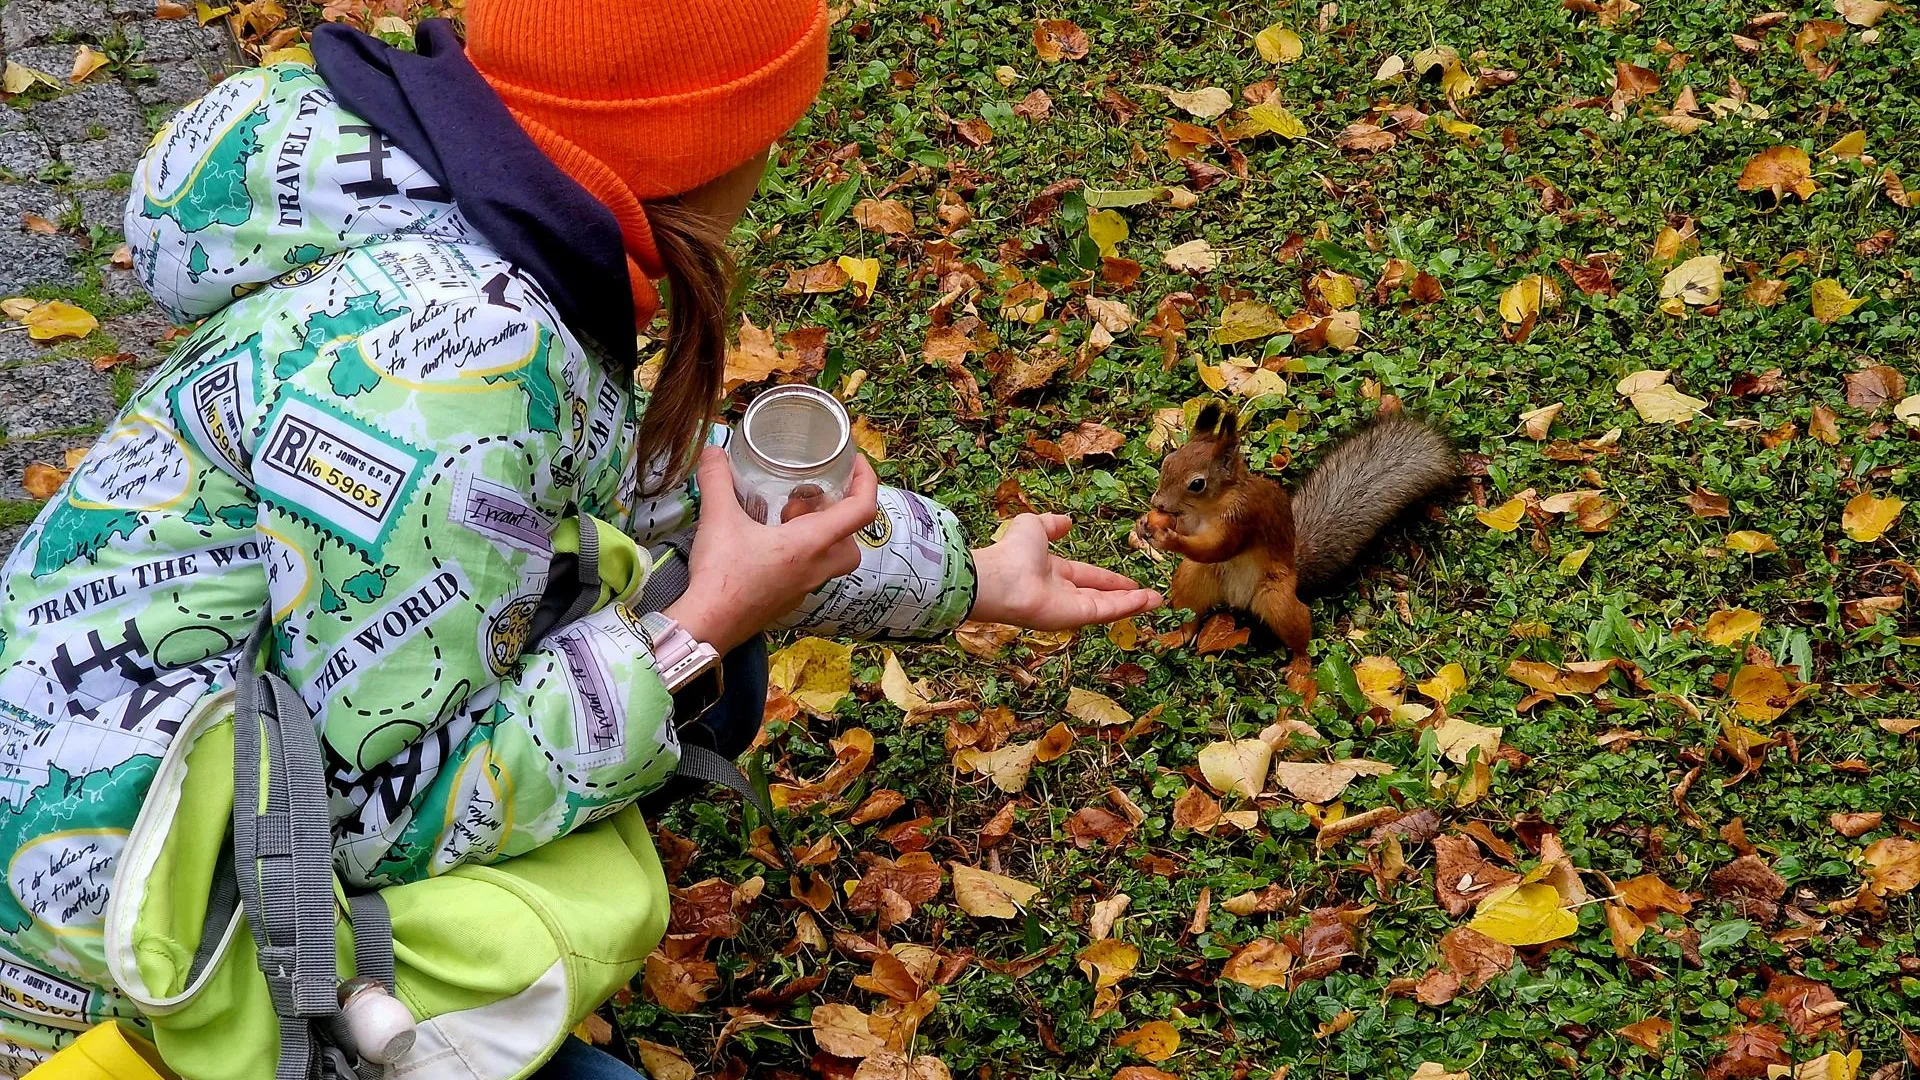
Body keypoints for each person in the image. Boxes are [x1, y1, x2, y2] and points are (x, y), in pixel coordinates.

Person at [0, 0, 1161, 1074]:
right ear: (707, 140)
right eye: (775, 125)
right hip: (129, 952)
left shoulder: (458, 193)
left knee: (704, 643)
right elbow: (382, 817)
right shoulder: (455, 361)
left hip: (214, 764)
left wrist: (971, 576)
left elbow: (667, 482)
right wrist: (701, 627)